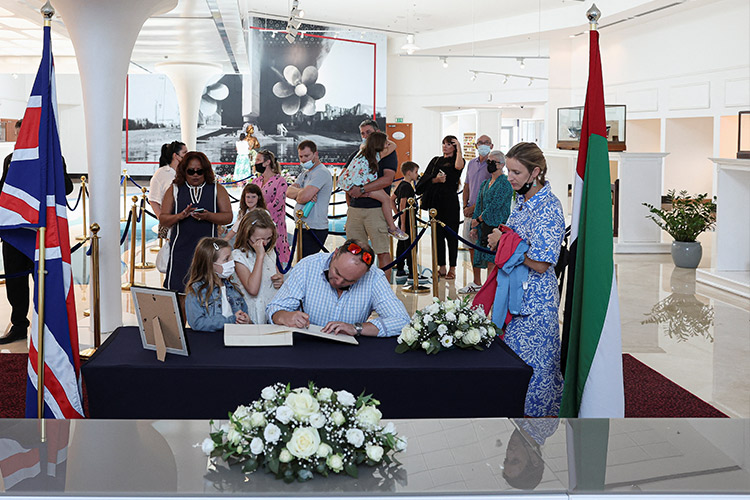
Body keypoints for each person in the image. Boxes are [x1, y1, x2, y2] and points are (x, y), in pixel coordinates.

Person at [487, 142, 565, 417]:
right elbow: (519, 238)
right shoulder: (522, 201)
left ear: (536, 172)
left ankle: (536, 436)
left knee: (537, 377)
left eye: (517, 172)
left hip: (535, 304)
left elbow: (542, 263)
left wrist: (503, 242)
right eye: (509, 171)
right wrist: (505, 237)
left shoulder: (548, 209)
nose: (511, 177)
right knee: (514, 371)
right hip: (515, 300)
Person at [0, 119, 73, 345]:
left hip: (41, 234)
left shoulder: (52, 158)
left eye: (26, 135)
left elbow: (68, 188)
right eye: (19, 136)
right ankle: (19, 326)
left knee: (45, 281)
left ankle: (49, 329)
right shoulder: (10, 160)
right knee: (15, 284)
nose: (22, 140)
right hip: (14, 233)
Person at [266, 239, 410, 337]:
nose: (338, 282)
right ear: (334, 254)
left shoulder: (374, 277)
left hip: (351, 353)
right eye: (336, 272)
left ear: (364, 275)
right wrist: (285, 316)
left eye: (349, 281)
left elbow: (401, 320)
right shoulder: (308, 266)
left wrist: (357, 328)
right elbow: (274, 309)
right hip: (309, 348)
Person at [159, 152, 233, 297]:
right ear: (184, 171)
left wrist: (208, 216)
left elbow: (228, 217)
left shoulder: (217, 189)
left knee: (208, 294)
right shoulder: (174, 189)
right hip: (181, 250)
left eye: (200, 171)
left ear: (206, 171)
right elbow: (163, 219)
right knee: (180, 293)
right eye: (191, 171)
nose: (195, 175)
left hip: (209, 253)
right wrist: (181, 216)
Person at [344, 119, 398, 279]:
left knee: (382, 251)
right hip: (355, 210)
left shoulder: (386, 153)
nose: (365, 136)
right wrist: (351, 202)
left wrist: (362, 189)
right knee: (354, 252)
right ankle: (359, 287)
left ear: (377, 133)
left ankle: (383, 290)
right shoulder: (357, 155)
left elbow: (388, 179)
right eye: (362, 133)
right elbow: (345, 177)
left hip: (375, 211)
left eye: (368, 132)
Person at [338, 130, 407, 240]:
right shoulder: (377, 155)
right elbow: (394, 145)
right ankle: (392, 227)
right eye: (385, 143)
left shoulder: (361, 152)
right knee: (385, 198)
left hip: (350, 184)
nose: (387, 145)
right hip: (361, 184)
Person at [415, 135, 466, 280]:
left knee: (452, 236)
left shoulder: (458, 160)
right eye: (443, 143)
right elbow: (425, 178)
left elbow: (458, 166)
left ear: (455, 147)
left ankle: (453, 268)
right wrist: (436, 180)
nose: (445, 146)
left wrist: (459, 148)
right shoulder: (436, 160)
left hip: (450, 202)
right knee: (437, 236)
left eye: (449, 144)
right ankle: (441, 266)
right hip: (436, 202)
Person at [464, 150, 513, 288]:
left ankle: (490, 289)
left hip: (497, 225)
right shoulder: (485, 183)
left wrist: (478, 219)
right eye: (488, 161)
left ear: (502, 164)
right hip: (483, 225)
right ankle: (482, 285)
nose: (489, 164)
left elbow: (494, 206)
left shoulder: (504, 183)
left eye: (493, 162)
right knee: (483, 256)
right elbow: (479, 204)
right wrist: (475, 225)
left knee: (493, 260)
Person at [185, 237, 250, 331]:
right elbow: (197, 323)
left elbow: (244, 313)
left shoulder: (234, 289)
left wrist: (246, 320)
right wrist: (230, 320)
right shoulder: (196, 291)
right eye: (226, 259)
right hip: (211, 342)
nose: (231, 262)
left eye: (231, 257)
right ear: (210, 264)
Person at [232, 209, 284, 324]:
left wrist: (280, 280)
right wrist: (260, 256)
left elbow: (275, 274)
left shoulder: (270, 252)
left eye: (268, 238)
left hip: (270, 307)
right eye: (259, 240)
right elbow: (253, 289)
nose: (264, 243)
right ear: (247, 236)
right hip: (254, 311)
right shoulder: (238, 256)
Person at [458, 135, 493, 293]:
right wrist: (465, 205)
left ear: (491, 145)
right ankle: (476, 281)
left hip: (484, 214)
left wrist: (474, 209)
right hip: (469, 211)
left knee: (487, 248)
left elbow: (490, 192)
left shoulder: (493, 165)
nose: (483, 145)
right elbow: (466, 185)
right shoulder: (471, 164)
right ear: (476, 145)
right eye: (480, 142)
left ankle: (489, 283)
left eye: (486, 143)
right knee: (471, 246)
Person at [287, 140, 332, 258]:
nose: (303, 160)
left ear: (316, 154)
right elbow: (288, 192)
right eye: (301, 156)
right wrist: (302, 192)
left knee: (306, 263)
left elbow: (303, 198)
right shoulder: (304, 173)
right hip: (302, 226)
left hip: (314, 228)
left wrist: (302, 193)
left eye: (307, 156)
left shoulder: (321, 172)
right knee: (301, 260)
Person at [252, 150, 291, 266]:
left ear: (267, 162)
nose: (256, 163)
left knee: (277, 258)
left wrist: (260, 211)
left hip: (275, 225)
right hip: (256, 224)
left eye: (258, 160)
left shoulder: (280, 181)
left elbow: (278, 204)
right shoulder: (256, 181)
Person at [390, 161, 419, 279]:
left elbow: (391, 199)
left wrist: (397, 214)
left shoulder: (401, 184)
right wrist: (402, 223)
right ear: (409, 173)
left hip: (404, 219)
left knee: (402, 244)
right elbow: (403, 205)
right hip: (408, 221)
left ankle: (401, 269)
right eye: (416, 172)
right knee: (411, 245)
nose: (417, 175)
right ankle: (412, 271)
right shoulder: (406, 187)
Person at [148, 141, 186, 217]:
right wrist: (163, 220)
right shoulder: (161, 174)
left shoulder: (186, 171)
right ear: (176, 156)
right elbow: (153, 201)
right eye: (184, 153)